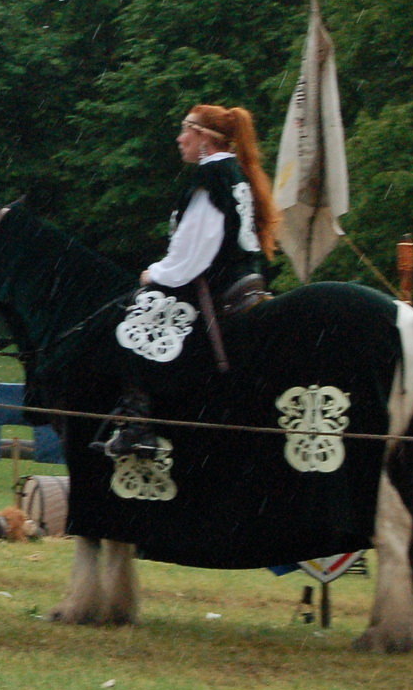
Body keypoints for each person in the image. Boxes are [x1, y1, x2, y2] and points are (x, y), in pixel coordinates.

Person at [95, 103, 280, 459]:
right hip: (239, 277)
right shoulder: (232, 172)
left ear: (206, 139)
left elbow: (194, 253)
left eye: (186, 132)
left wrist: (155, 274)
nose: (180, 140)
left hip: (215, 283)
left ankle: (139, 427)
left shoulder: (210, 179)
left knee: (134, 320)